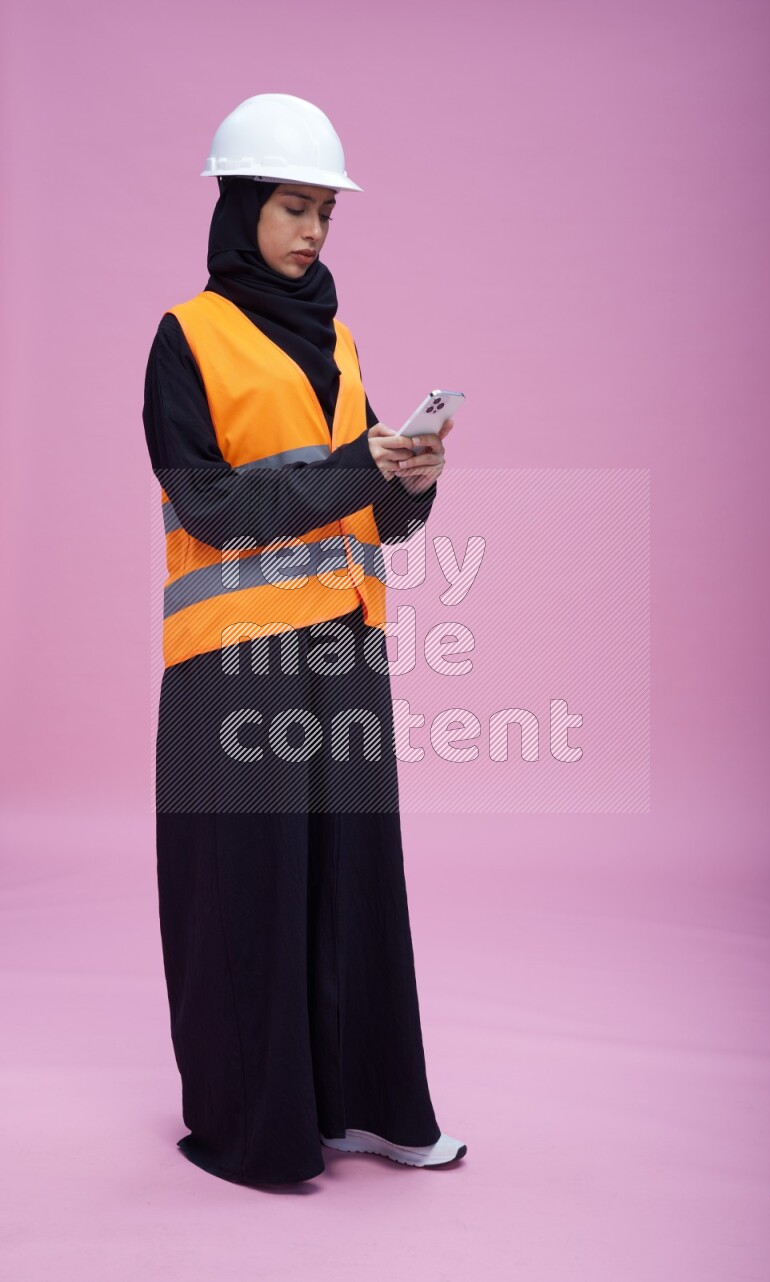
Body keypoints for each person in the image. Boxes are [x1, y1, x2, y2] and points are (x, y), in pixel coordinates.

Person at [142, 93, 467, 1185]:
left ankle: (367, 1108)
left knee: (353, 881)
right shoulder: (186, 337)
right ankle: (260, 1131)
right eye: (293, 207)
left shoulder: (338, 336)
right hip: (233, 657)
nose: (314, 230)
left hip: (342, 645)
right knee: (247, 891)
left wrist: (409, 479)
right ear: (241, 207)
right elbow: (207, 503)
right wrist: (352, 471)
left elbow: (371, 511)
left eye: (325, 211)